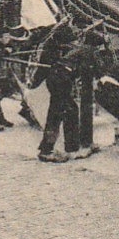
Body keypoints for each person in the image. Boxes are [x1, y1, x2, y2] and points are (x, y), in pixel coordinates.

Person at [33, 24, 81, 163]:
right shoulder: (52, 49)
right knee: (57, 114)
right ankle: (47, 150)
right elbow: (42, 69)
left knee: (69, 111)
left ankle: (70, 147)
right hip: (58, 83)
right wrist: (34, 83)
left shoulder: (57, 47)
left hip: (59, 83)